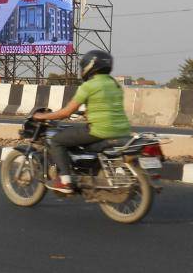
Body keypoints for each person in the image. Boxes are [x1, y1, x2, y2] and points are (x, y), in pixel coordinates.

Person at [31, 50, 130, 194]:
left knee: (57, 140)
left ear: (89, 66)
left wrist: (42, 116)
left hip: (100, 130)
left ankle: (65, 181)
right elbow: (107, 106)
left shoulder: (88, 86)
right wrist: (88, 113)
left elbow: (66, 112)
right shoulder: (115, 84)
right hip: (122, 130)